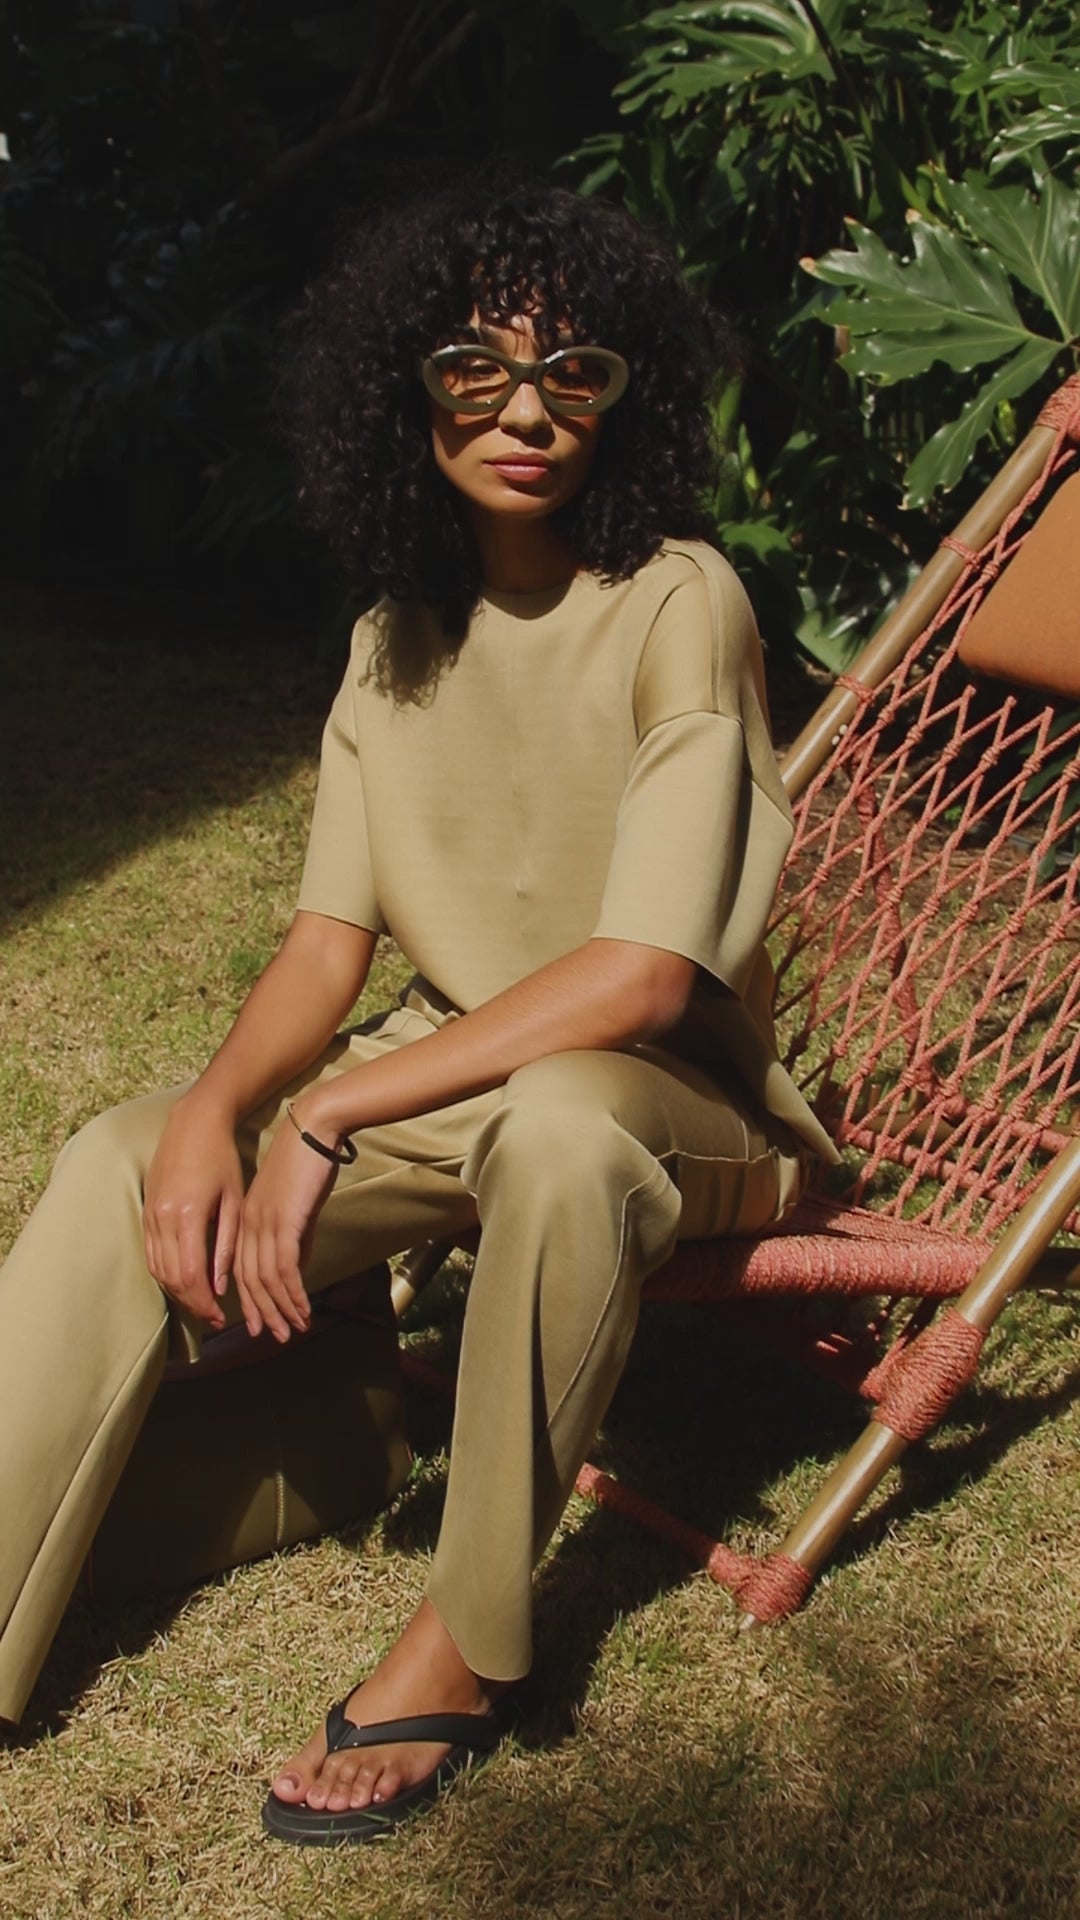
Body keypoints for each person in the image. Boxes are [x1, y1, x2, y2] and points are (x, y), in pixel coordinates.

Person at [0, 182, 835, 1844]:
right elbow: (328, 946)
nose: (527, 413)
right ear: (408, 391)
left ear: (626, 394)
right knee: (117, 1159)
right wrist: (212, 1112)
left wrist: (330, 1109)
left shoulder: (681, 599)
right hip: (456, 1085)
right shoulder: (392, 637)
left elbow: (644, 978)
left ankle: (464, 1640)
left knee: (565, 1125)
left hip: (675, 1107)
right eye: (477, 370)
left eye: (573, 373)